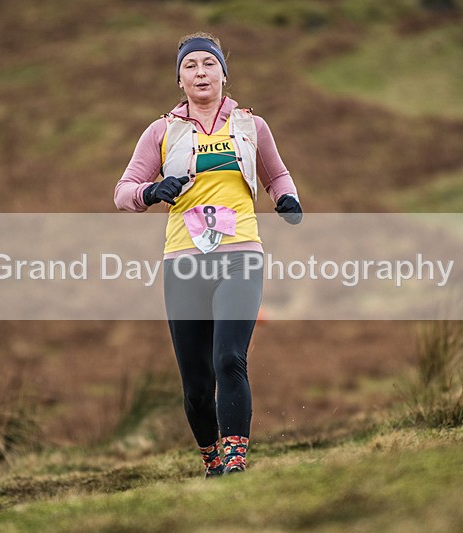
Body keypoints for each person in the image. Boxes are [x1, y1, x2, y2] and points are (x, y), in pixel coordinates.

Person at [114, 32, 302, 476]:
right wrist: (151, 190)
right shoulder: (160, 131)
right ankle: (212, 458)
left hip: (241, 255)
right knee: (197, 384)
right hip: (184, 261)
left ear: (223, 73)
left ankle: (235, 458)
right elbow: (123, 192)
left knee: (229, 358)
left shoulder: (252, 126)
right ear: (179, 79)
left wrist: (287, 199)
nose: (200, 72)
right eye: (190, 66)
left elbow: (277, 174)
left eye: (208, 64)